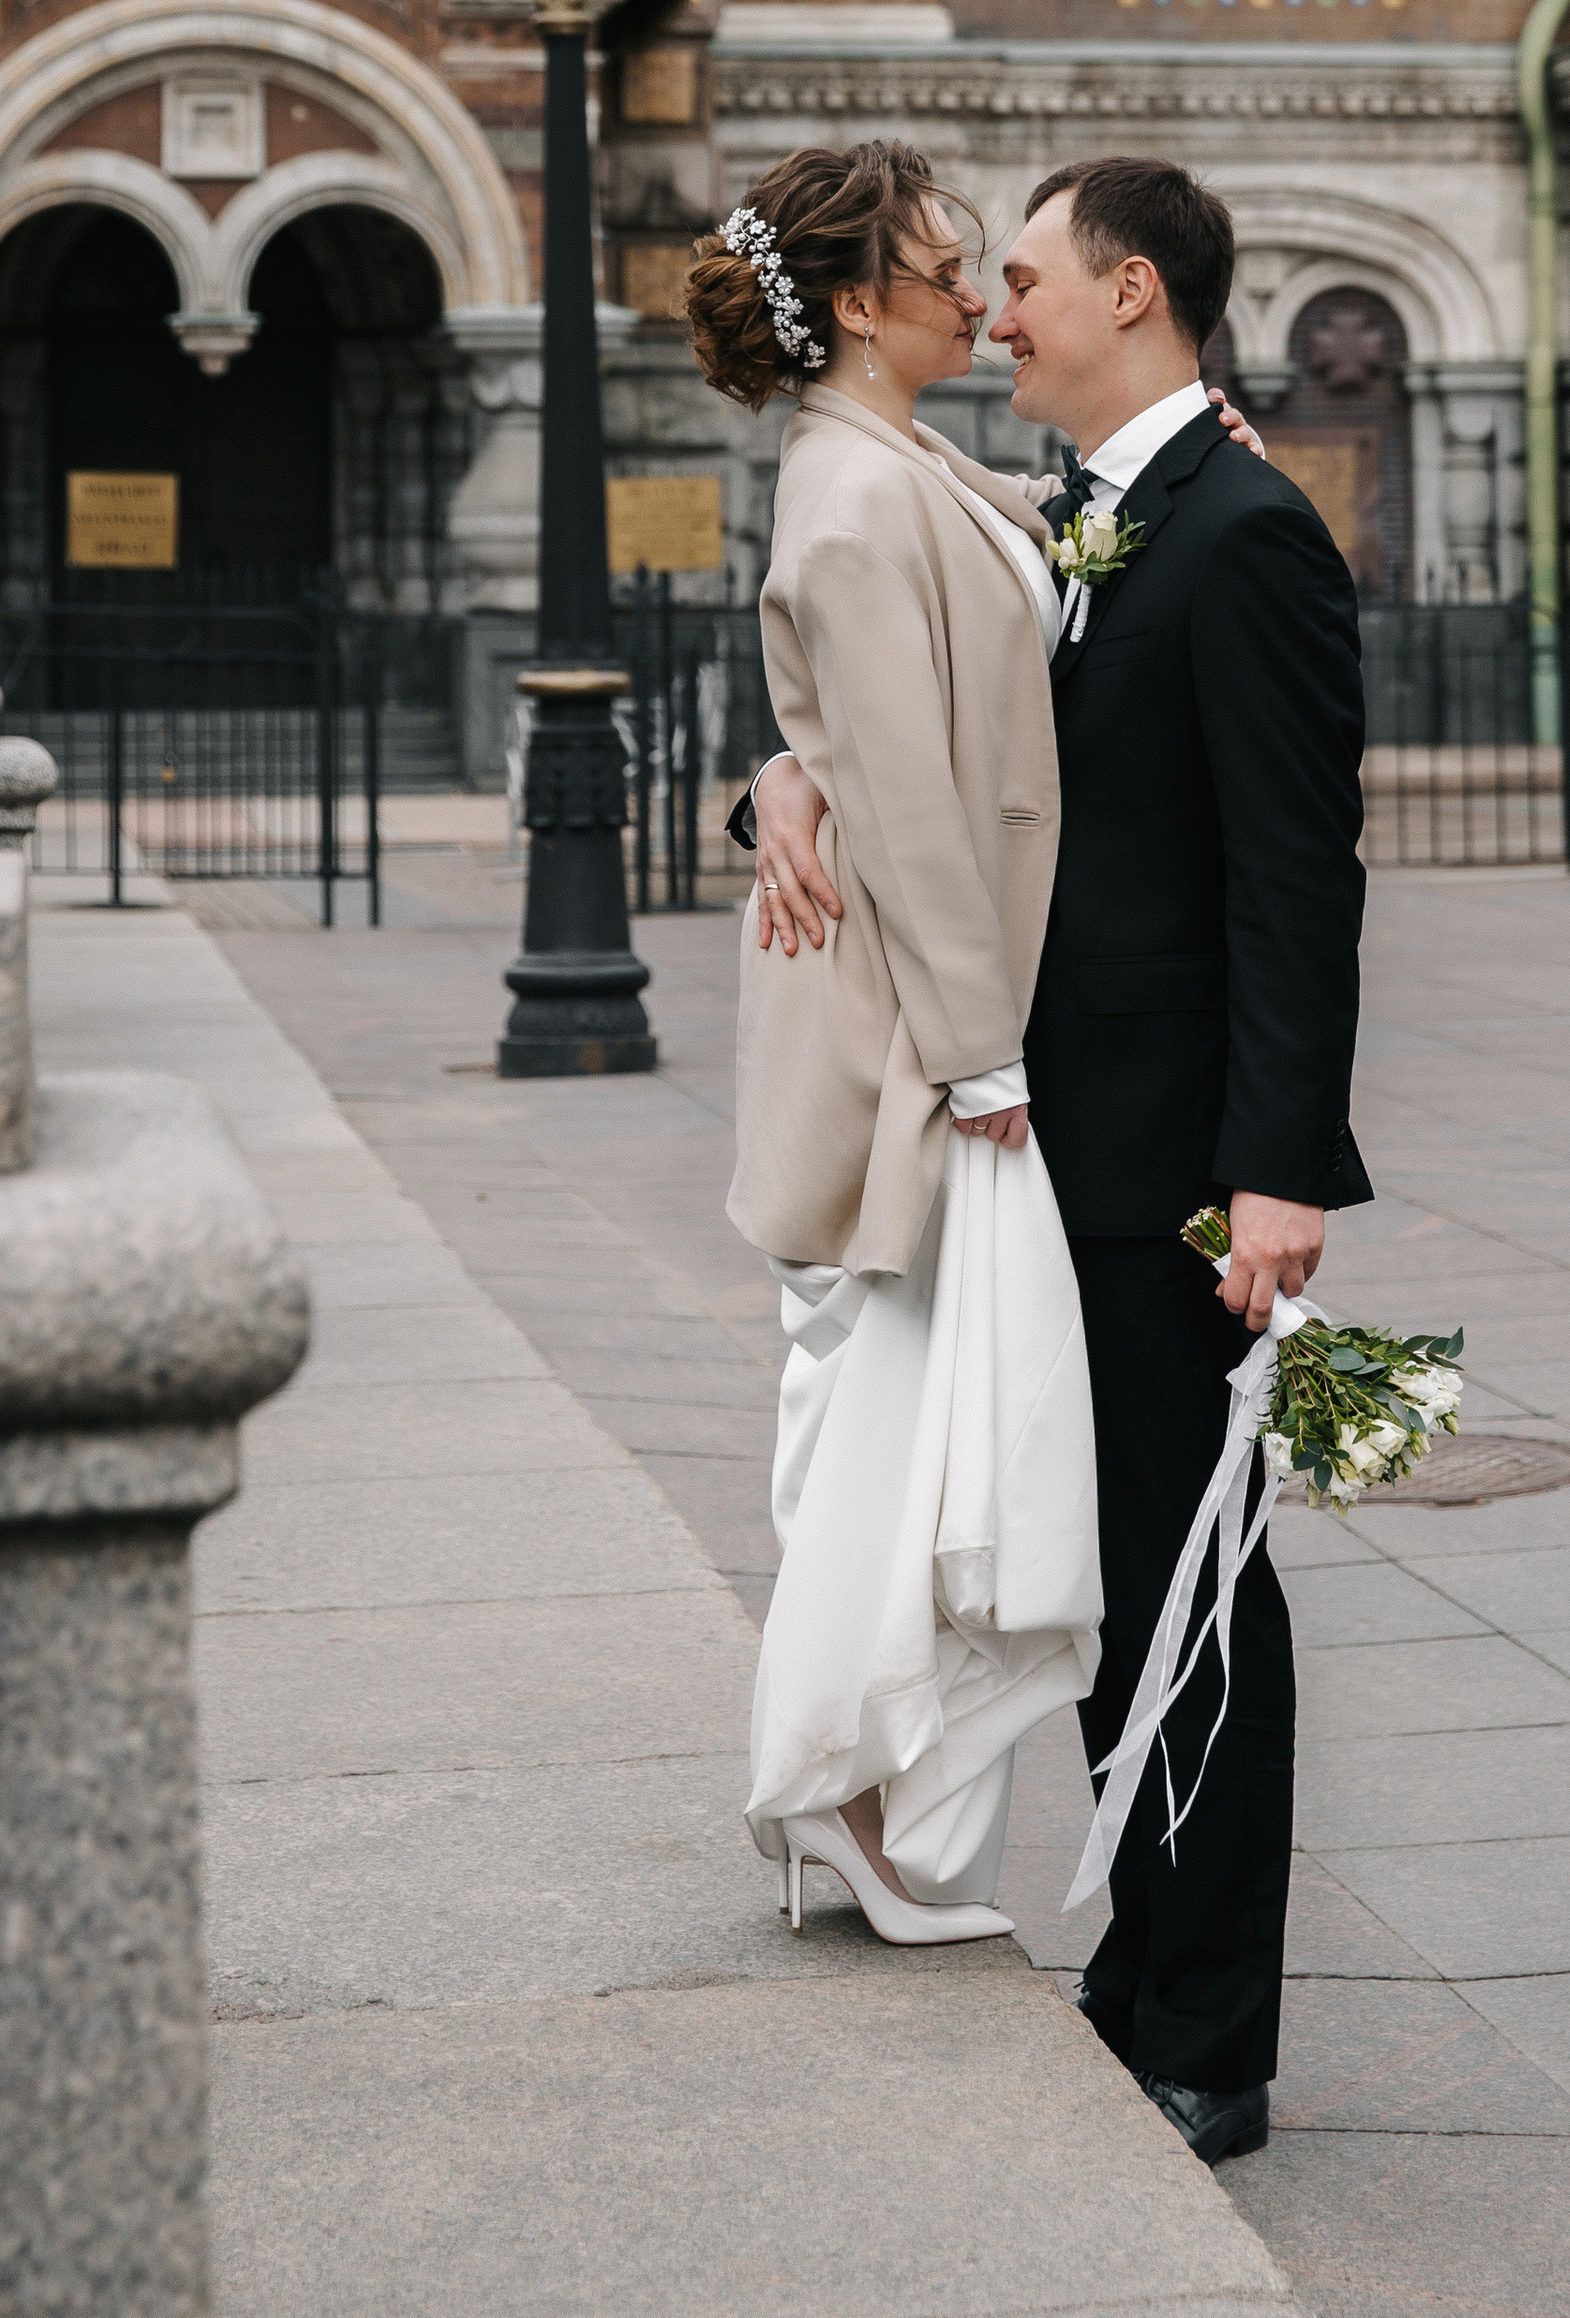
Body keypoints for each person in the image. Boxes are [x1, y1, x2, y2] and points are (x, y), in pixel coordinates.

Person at [748, 155, 1369, 2167]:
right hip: (1049, 1152)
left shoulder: (1245, 533)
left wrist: (1277, 1173)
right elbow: (906, 697)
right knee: (1108, 1571)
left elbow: (1296, 884)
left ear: (1128, 293)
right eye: (978, 281)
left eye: (1019, 279)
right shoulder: (1077, 513)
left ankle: (1207, 2035)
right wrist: (784, 778)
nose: (994, 311)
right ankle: (1135, 1970)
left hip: (1167, 1160)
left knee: (1194, 1590)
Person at [687, 141, 1103, 1950]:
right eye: (949, 267)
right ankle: (847, 1795)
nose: (982, 295)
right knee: (893, 1425)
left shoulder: (902, 460)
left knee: (906, 1419)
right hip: (901, 1043)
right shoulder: (849, 496)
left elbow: (1010, 568)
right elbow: (919, 804)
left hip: (916, 1015)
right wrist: (982, 1053)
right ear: (858, 303)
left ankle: (856, 1802)